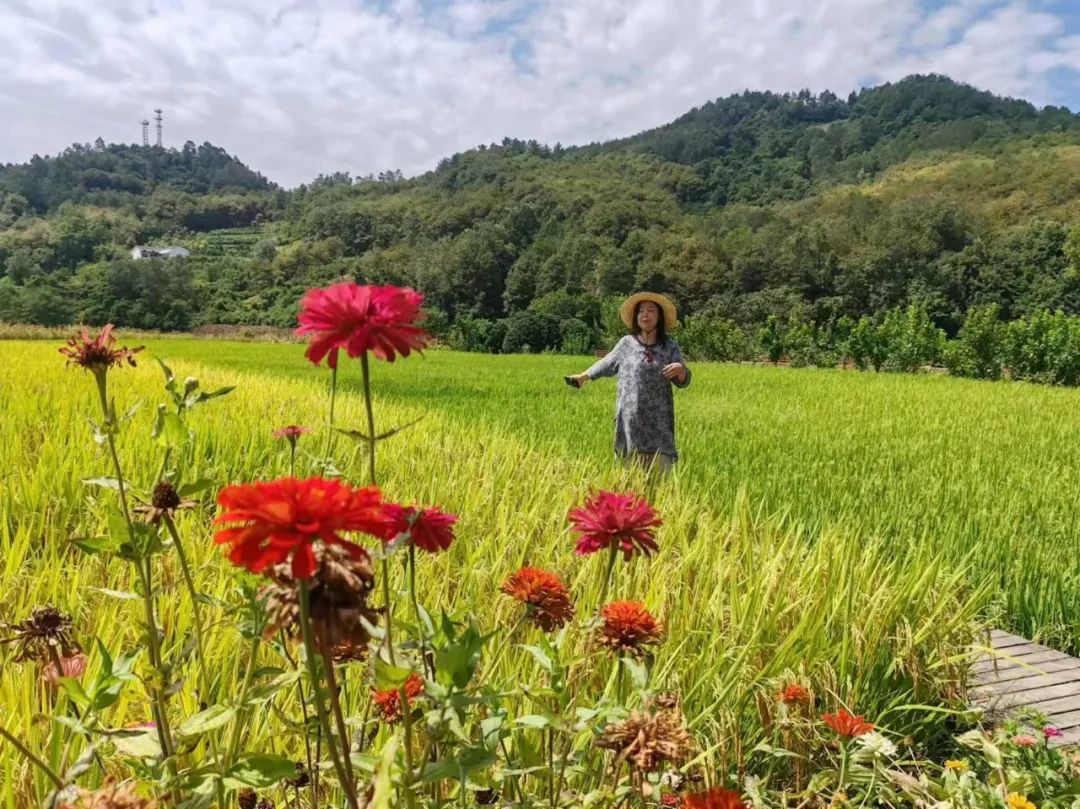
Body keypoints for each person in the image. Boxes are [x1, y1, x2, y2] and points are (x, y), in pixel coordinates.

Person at [567, 292, 691, 473]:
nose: (645, 315)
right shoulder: (626, 344)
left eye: (651, 311)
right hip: (630, 424)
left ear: (660, 317)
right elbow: (606, 363)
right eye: (641, 311)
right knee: (628, 484)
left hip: (659, 426)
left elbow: (684, 381)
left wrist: (680, 369)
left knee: (658, 486)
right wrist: (583, 377)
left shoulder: (669, 347)